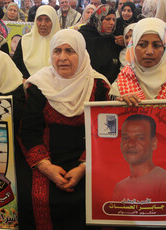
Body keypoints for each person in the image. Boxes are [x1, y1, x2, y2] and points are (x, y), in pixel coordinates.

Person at [18, 29, 110, 229]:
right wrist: (47, 168)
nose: (62, 58)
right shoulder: (39, 86)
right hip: (48, 158)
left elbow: (103, 133)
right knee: (30, 196)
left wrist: (84, 168)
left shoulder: (98, 85)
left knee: (100, 193)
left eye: (70, 51)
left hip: (89, 158)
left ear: (82, 53)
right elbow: (29, 131)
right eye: (57, 51)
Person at [110, 18, 166, 102]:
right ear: (133, 47)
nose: (149, 52)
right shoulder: (122, 82)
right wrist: (121, 107)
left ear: (164, 49)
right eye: (142, 45)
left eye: (157, 45)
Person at [112, 114, 166, 204]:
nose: (131, 144)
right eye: (125, 138)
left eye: (140, 138)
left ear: (153, 143)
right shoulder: (119, 187)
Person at [12, 5, 60, 79]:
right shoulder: (25, 41)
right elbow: (15, 67)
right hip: (28, 85)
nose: (42, 24)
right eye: (39, 19)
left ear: (53, 22)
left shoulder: (60, 42)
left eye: (47, 20)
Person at [79, 5, 122, 84]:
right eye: (108, 19)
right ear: (97, 19)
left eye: (114, 20)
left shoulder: (113, 39)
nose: (112, 23)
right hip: (88, 83)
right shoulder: (84, 36)